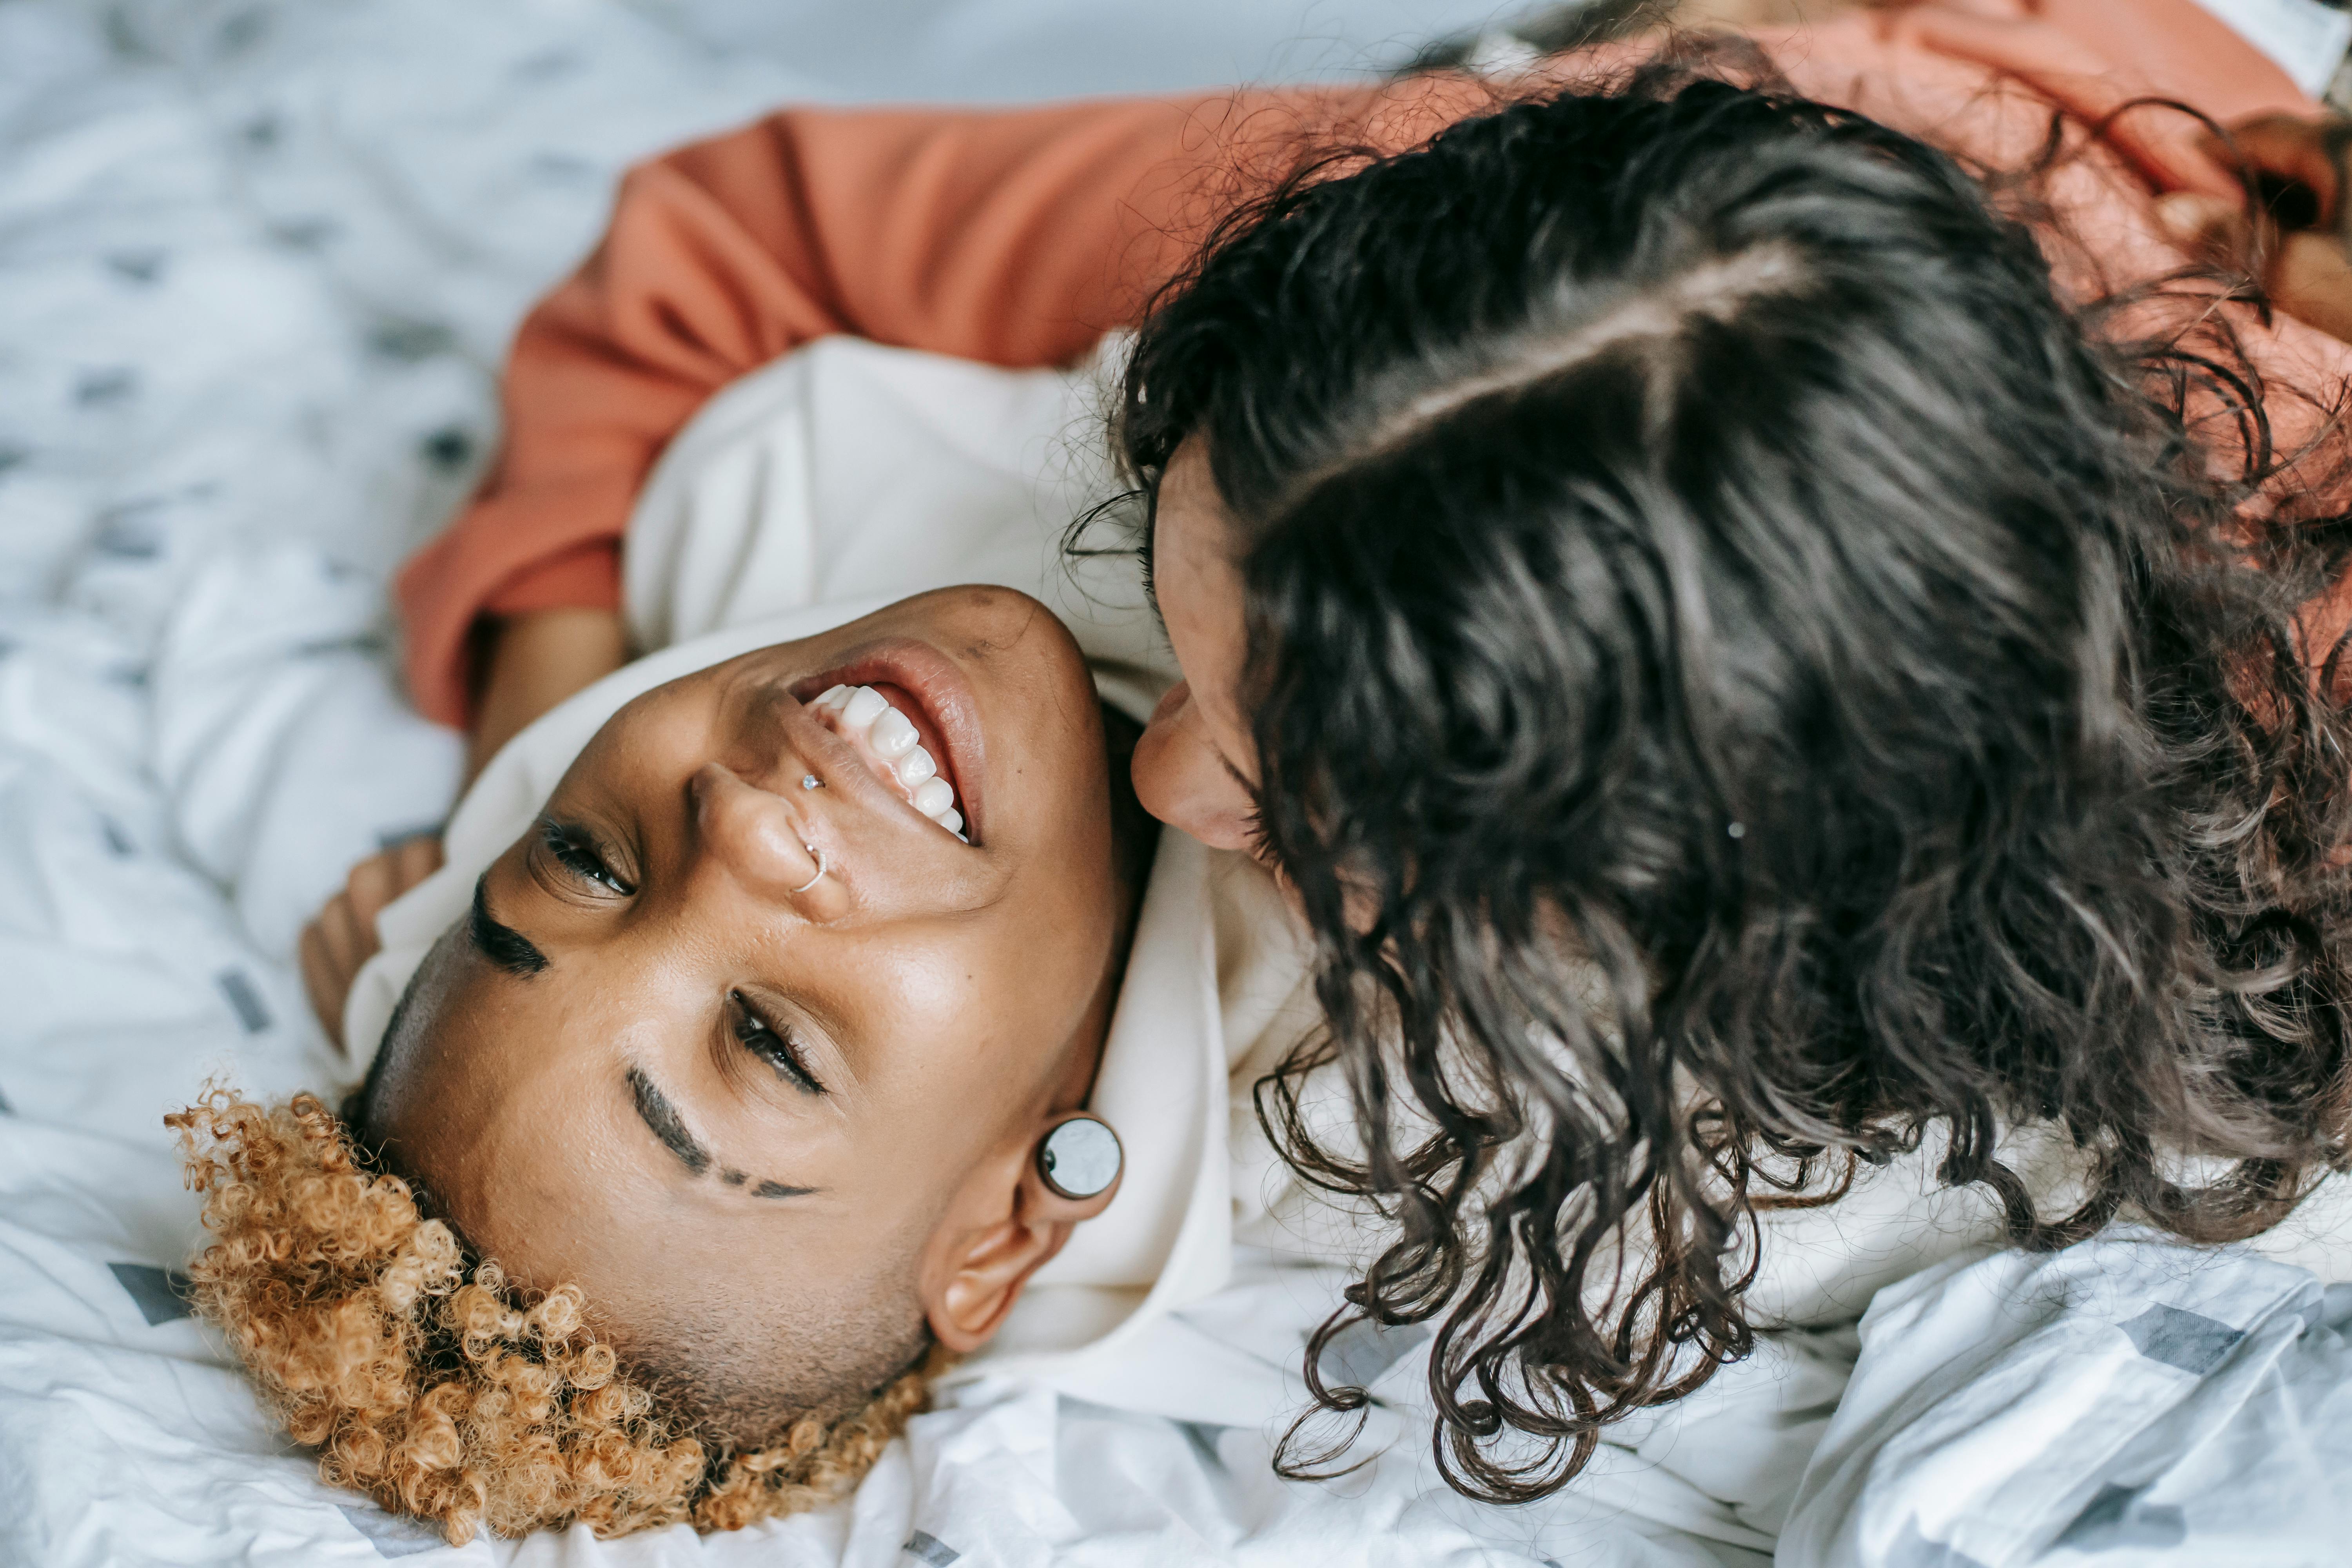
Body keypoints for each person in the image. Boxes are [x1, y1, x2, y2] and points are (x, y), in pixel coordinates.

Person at [307, 0, 2352, 1506]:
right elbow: (728, 234)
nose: (1172, 781)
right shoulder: (1423, 262)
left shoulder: (2248, 863)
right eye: (1185, 643)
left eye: (1301, 793)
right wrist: (532, 767)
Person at [183, 575, 1162, 1543]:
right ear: (996, 1232)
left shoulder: (746, 522)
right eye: (774, 1047)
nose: (734, 821)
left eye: (588, 864)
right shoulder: (1310, 1088)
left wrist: (540, 663)